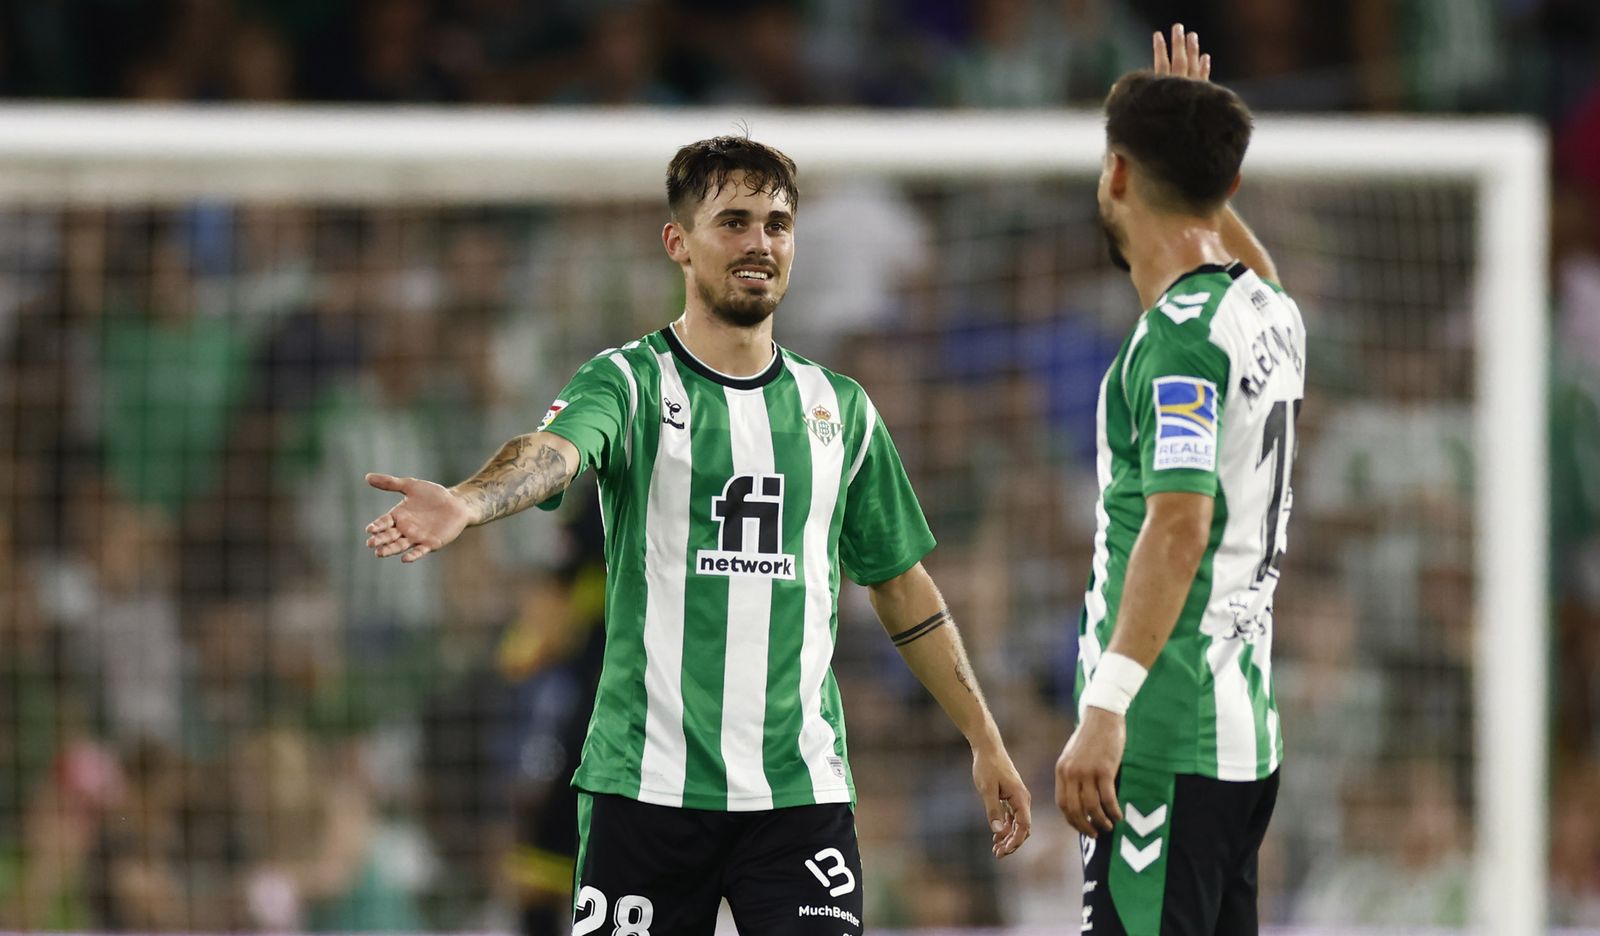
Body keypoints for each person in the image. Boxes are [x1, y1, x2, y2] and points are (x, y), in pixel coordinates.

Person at [362, 135, 1031, 933]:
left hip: (798, 799)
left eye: (777, 224)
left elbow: (901, 584)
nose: (759, 242)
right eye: (735, 222)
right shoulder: (630, 381)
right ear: (678, 243)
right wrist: (470, 503)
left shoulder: (840, 410)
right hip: (645, 791)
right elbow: (555, 452)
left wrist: (983, 737)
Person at [1054, 24, 1306, 935]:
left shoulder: (1178, 343)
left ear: (1117, 175)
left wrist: (1107, 709)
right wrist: (1194, 149)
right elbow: (1257, 267)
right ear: (1228, 187)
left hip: (1166, 730)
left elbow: (1177, 526)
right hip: (1244, 736)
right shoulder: (1268, 312)